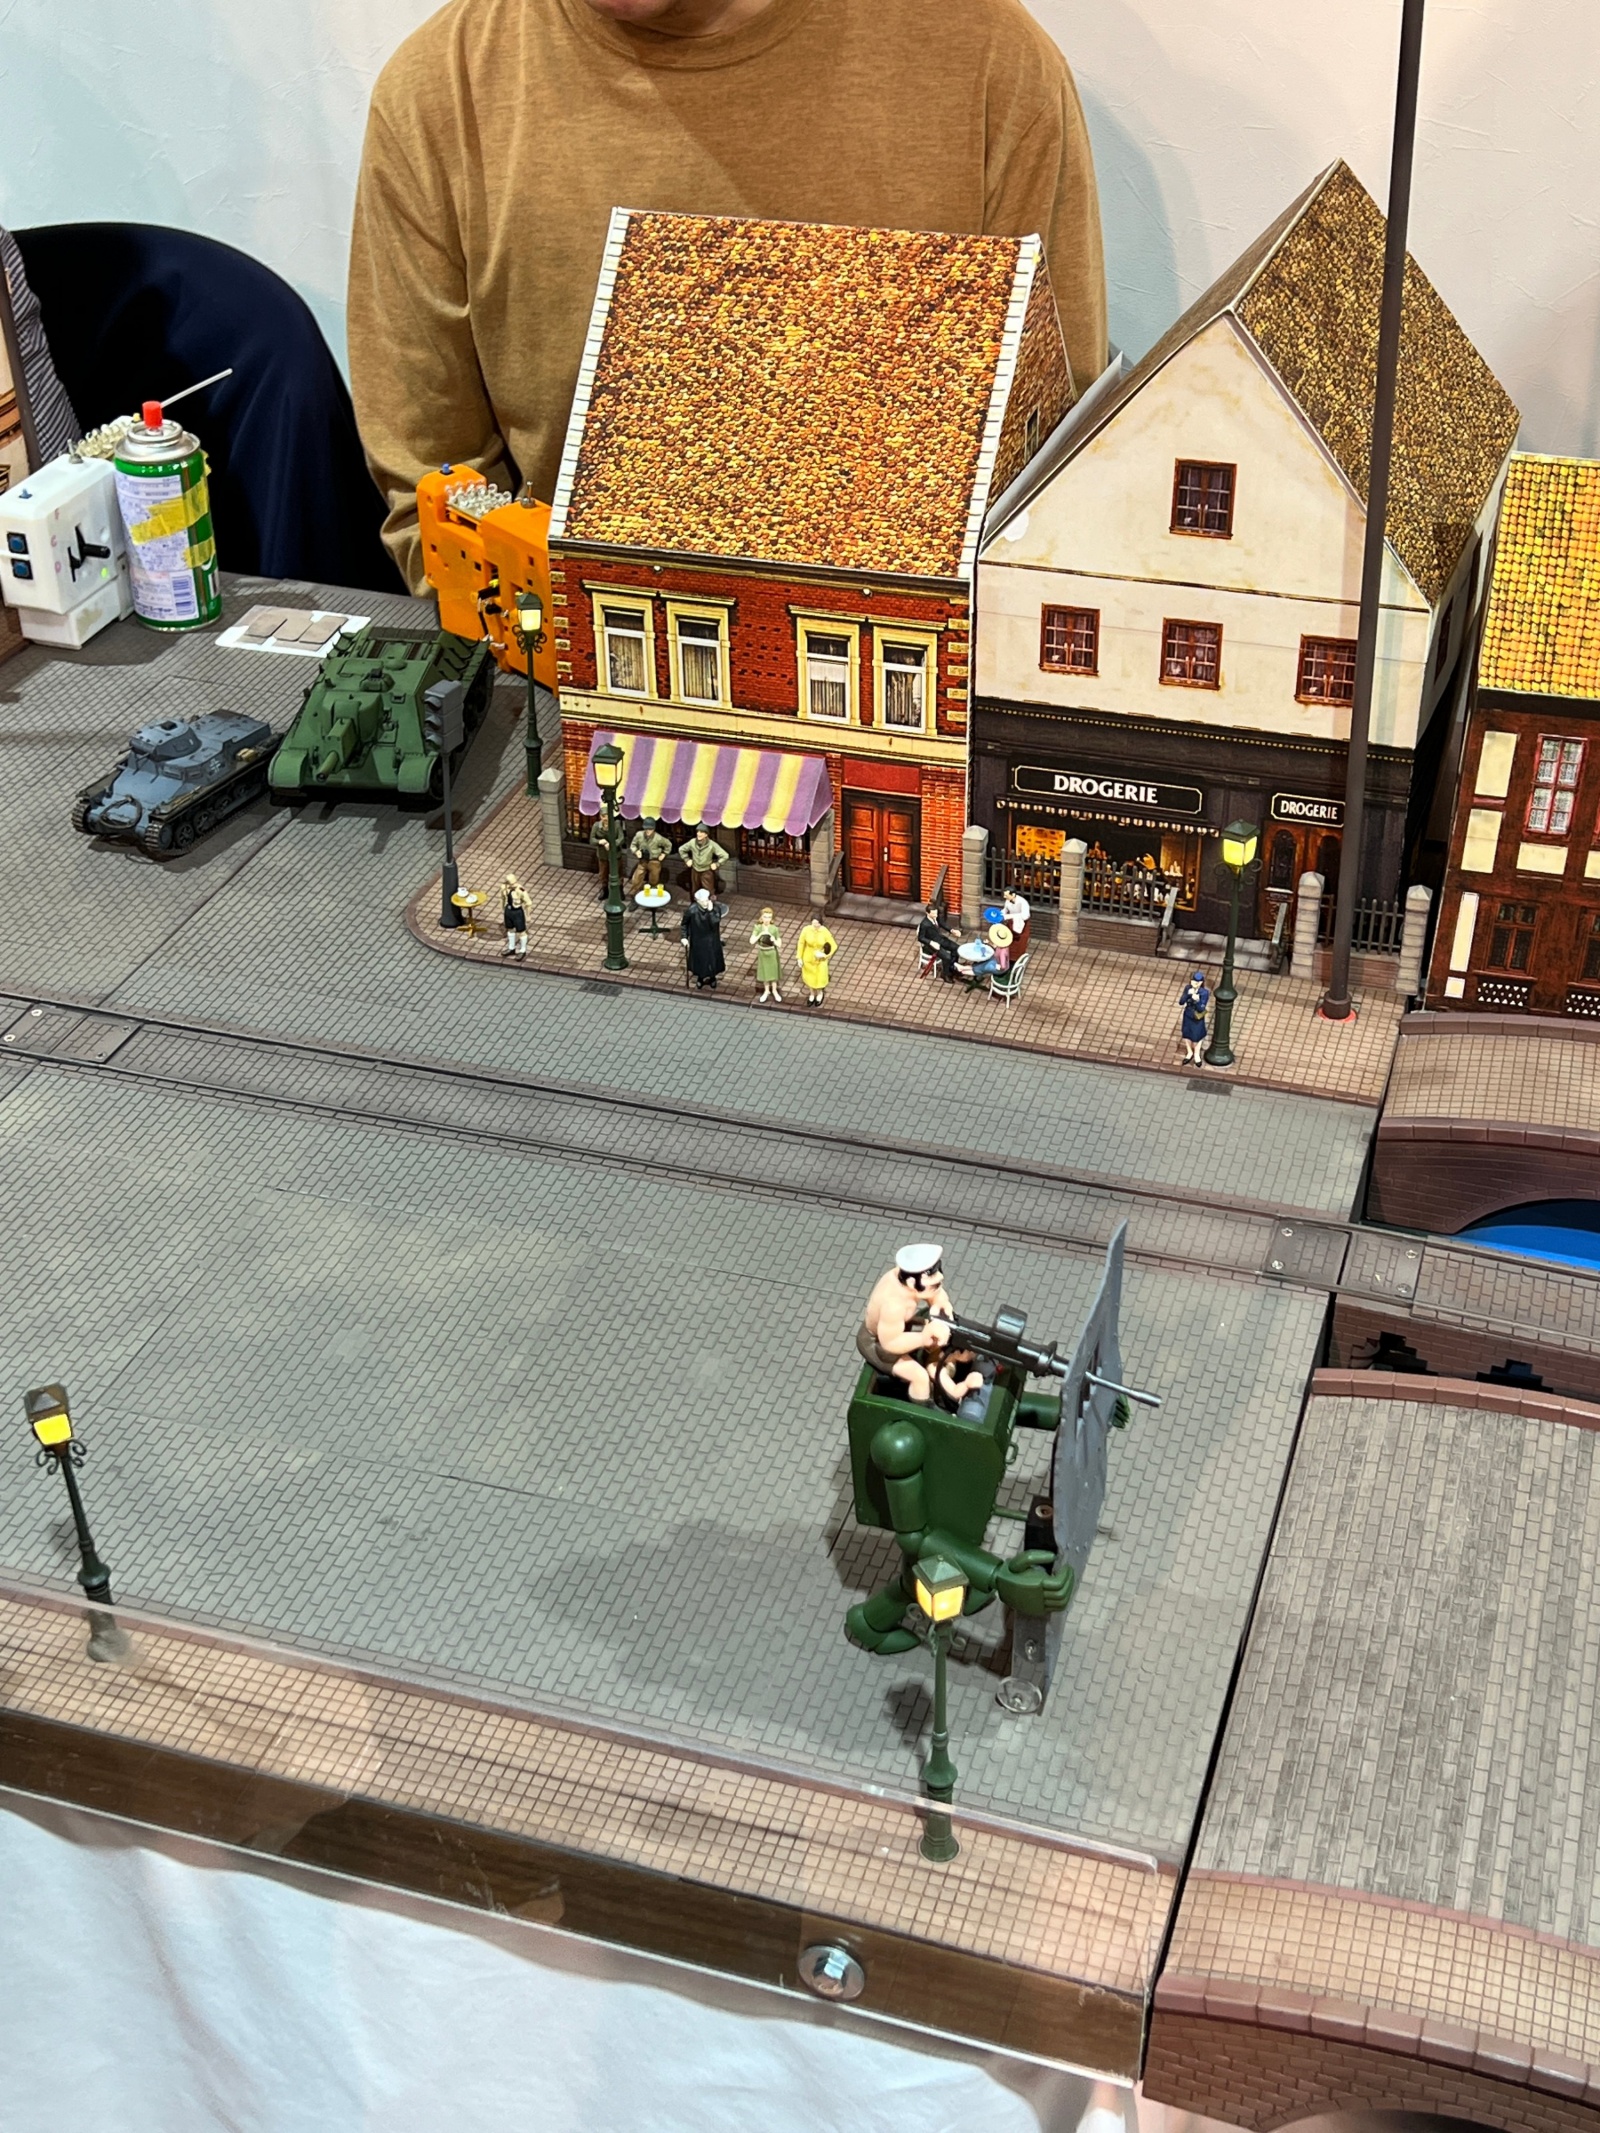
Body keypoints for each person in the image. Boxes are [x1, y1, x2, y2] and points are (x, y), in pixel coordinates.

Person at [348, 0, 1107, 592]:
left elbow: (1051, 485)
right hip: (578, 681)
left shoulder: (989, 68)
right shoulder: (439, 95)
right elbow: (435, 491)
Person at [855, 1243, 954, 1405]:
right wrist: (922, 1338)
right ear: (911, 1282)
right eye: (933, 1282)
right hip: (878, 1343)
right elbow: (890, 1343)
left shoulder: (910, 1279)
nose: (939, 1279)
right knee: (919, 1377)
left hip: (897, 1329)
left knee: (931, 1334)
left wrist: (941, 1303)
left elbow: (935, 1293)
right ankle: (923, 1408)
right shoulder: (893, 1305)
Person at [680, 885, 727, 988]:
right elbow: (684, 924)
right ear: (698, 901)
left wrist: (710, 912)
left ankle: (712, 977)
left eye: (707, 900)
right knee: (700, 960)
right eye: (703, 901)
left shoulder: (715, 909)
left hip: (712, 940)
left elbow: (715, 922)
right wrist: (684, 937)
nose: (706, 902)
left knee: (712, 960)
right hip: (698, 939)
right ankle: (700, 978)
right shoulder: (692, 910)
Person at [795, 916, 837, 1005]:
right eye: (814, 922)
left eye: (817, 923)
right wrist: (799, 957)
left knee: (820, 977)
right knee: (809, 977)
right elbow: (801, 943)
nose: (815, 925)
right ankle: (812, 994)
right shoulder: (806, 930)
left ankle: (820, 993)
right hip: (808, 958)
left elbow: (833, 945)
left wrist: (825, 955)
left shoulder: (824, 931)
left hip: (820, 960)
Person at [679, 824, 730, 896]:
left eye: (701, 832)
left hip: (706, 871)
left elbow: (725, 855)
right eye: (697, 831)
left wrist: (717, 864)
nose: (698, 834)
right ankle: (695, 902)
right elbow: (681, 849)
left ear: (706, 834)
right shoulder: (692, 842)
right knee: (695, 890)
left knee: (708, 891)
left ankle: (709, 902)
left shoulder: (712, 845)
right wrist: (686, 859)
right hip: (695, 870)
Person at [627, 817, 672, 895]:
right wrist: (636, 851)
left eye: (650, 829)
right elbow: (633, 845)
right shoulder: (639, 835)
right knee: (637, 878)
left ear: (654, 829)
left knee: (654, 879)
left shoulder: (658, 838)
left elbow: (668, 844)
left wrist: (664, 854)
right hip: (643, 861)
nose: (648, 831)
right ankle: (634, 893)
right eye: (646, 829)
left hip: (654, 861)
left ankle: (652, 893)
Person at [917, 901, 960, 982]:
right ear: (927, 913)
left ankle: (952, 967)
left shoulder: (936, 917)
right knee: (947, 957)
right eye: (933, 914)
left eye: (936, 913)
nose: (936, 915)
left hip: (940, 939)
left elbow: (942, 924)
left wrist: (952, 930)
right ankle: (945, 974)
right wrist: (931, 942)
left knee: (956, 948)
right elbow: (920, 938)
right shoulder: (924, 924)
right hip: (931, 945)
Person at [1179, 968, 1211, 1065]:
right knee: (1187, 1034)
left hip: (1197, 1018)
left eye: (1198, 983)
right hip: (1188, 1015)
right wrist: (1187, 994)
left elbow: (1201, 1008)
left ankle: (1197, 1054)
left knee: (1197, 1036)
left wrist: (1197, 1000)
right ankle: (1189, 1052)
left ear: (1201, 983)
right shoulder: (1188, 988)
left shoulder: (1204, 993)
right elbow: (1181, 1002)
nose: (1195, 984)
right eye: (1194, 982)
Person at [751, 907, 783, 1003]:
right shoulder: (758, 928)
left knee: (773, 973)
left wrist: (773, 939)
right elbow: (751, 941)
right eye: (765, 917)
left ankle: (774, 990)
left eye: (769, 917)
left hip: (772, 953)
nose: (767, 919)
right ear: (761, 917)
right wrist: (760, 935)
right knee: (765, 973)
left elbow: (779, 944)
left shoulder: (774, 929)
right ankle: (766, 991)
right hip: (762, 953)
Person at [500, 872, 530, 958]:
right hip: (508, 910)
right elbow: (502, 898)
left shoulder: (520, 890)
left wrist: (528, 915)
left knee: (521, 932)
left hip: (517, 912)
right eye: (511, 883)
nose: (514, 885)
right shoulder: (504, 888)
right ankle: (511, 948)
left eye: (514, 882)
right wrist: (502, 908)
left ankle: (523, 950)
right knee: (510, 929)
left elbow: (528, 903)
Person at [588, 810, 615, 900]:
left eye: (607, 816)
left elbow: (621, 838)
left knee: (617, 873)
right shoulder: (597, 826)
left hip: (614, 854)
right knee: (603, 873)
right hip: (603, 854)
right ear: (600, 817)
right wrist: (600, 841)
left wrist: (612, 844)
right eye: (603, 816)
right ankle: (605, 890)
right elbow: (592, 840)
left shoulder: (615, 825)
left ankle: (619, 890)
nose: (606, 818)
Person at [1000, 887, 1031, 957]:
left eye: (1006, 895)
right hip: (1011, 923)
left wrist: (1009, 916)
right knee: (1008, 939)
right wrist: (999, 914)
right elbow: (1005, 910)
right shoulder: (1008, 901)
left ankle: (1018, 959)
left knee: (1020, 944)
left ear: (1013, 895)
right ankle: (1008, 958)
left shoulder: (1023, 902)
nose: (1004, 897)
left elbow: (1025, 916)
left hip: (1022, 924)